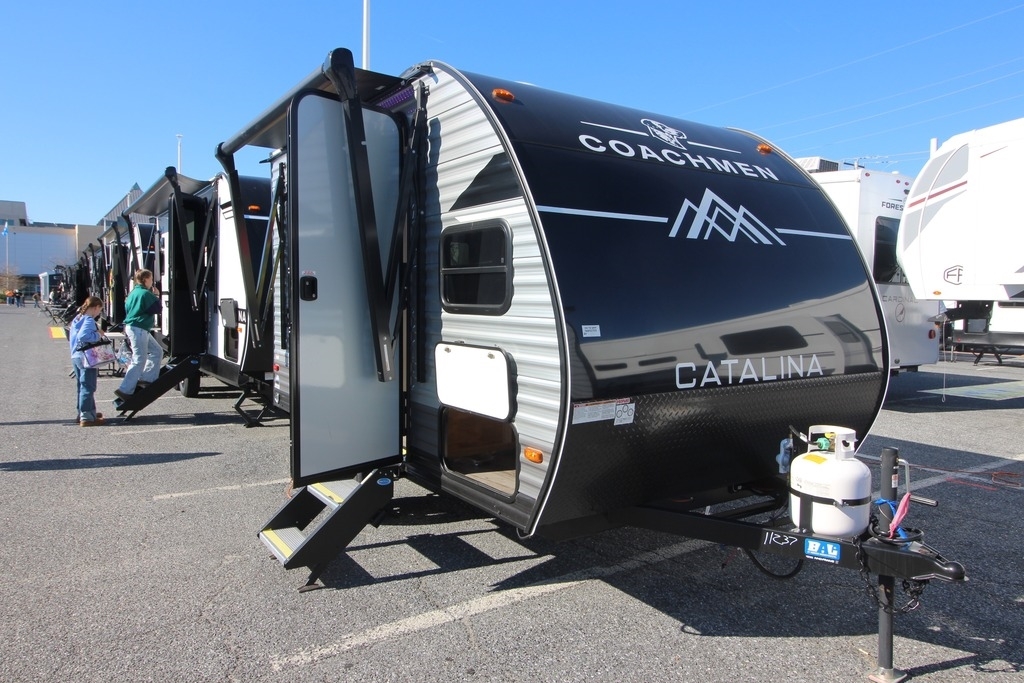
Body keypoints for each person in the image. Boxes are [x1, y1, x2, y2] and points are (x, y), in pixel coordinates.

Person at [115, 269, 162, 400]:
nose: (152, 282)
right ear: (145, 279)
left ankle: (146, 378)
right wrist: (156, 295)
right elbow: (157, 308)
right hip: (139, 328)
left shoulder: (133, 293)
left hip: (135, 327)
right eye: (151, 279)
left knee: (157, 351)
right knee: (139, 359)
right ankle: (125, 389)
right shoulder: (145, 293)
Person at [69, 296, 107, 426]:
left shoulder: (78, 318)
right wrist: (98, 334)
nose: (99, 313)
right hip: (86, 357)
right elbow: (84, 336)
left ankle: (85, 412)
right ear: (95, 307)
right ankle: (86, 417)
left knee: (81, 386)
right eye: (100, 310)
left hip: (75, 356)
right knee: (88, 387)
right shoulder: (89, 320)